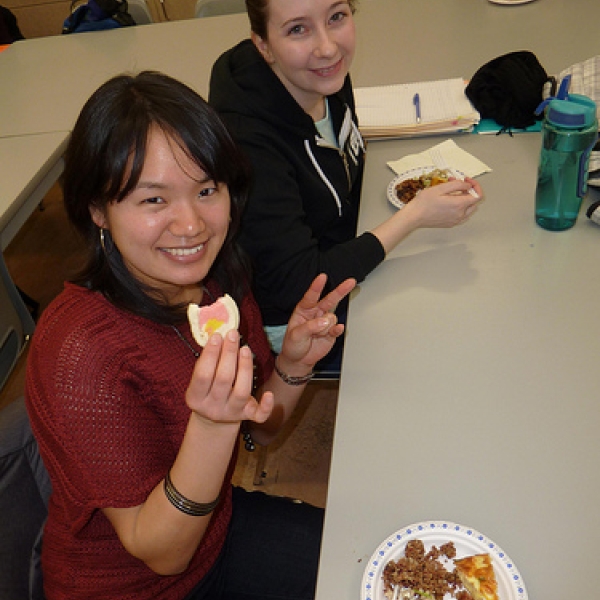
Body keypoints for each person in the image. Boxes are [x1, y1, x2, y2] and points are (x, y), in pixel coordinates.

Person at [25, 71, 355, 600]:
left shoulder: (217, 279)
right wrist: (210, 424)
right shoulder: (81, 352)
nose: (191, 225)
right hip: (135, 585)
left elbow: (261, 431)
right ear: (97, 210)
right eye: (153, 200)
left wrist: (292, 364)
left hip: (217, 530)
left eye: (206, 189)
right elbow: (162, 553)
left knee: (371, 568)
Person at [209, 0, 484, 361]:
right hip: (298, 317)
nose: (327, 47)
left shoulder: (321, 76)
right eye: (297, 29)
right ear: (263, 45)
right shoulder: (248, 144)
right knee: (450, 339)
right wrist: (414, 216)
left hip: (344, 251)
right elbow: (300, 284)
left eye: (336, 17)